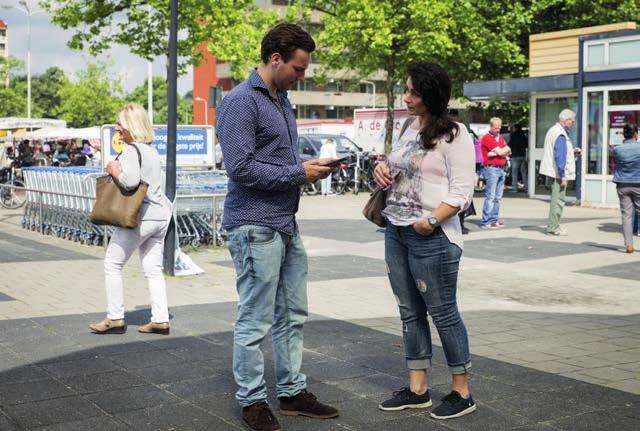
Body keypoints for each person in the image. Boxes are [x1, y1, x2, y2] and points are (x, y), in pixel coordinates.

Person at [216, 23, 339, 431]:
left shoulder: (281, 99)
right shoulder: (239, 102)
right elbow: (241, 168)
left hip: (284, 224)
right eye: (298, 68)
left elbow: (275, 165)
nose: (301, 77)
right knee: (255, 317)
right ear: (275, 59)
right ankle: (252, 402)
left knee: (293, 313)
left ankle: (291, 392)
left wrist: (303, 173)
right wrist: (298, 174)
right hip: (253, 225)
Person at [373, 62, 476, 420]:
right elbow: (396, 165)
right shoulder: (405, 126)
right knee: (409, 312)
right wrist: (381, 169)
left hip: (432, 236)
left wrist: (431, 221)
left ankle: (461, 391)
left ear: (430, 95)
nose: (406, 97)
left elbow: (464, 191)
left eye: (413, 92)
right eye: (406, 89)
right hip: (396, 231)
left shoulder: (455, 134)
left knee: (443, 312)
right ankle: (417, 390)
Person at [89, 103, 173, 335]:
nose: (117, 128)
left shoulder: (130, 151)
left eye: (119, 124)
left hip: (140, 217)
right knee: (153, 269)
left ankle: (115, 318)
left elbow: (130, 182)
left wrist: (113, 169)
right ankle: (160, 319)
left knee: (112, 263)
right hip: (160, 216)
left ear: (130, 126)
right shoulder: (151, 151)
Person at [540, 109, 581, 236]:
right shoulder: (560, 134)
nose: (573, 124)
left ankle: (553, 226)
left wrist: (573, 152)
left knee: (556, 200)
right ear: (566, 120)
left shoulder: (553, 130)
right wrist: (563, 175)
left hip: (553, 171)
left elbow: (559, 152)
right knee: (558, 201)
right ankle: (553, 227)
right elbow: (559, 156)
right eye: (572, 121)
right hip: (558, 174)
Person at [612, 124, 640, 253]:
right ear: (635, 134)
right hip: (638, 184)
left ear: (624, 134)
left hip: (622, 185)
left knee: (626, 215)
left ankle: (628, 244)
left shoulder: (617, 149)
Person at [480, 118, 510, 228]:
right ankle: (486, 221)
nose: (498, 130)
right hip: (491, 169)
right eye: (496, 128)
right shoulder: (487, 138)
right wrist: (502, 151)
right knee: (491, 196)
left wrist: (497, 152)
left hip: (501, 168)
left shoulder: (500, 138)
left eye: (499, 127)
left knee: (498, 197)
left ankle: (494, 220)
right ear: (491, 126)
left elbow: (509, 151)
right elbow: (503, 151)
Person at [508, 124, 528, 193]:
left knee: (514, 173)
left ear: (515, 128)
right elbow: (526, 145)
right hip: (523, 155)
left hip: (515, 156)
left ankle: (514, 188)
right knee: (524, 173)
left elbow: (510, 144)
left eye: (513, 128)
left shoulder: (513, 135)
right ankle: (526, 188)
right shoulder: (523, 135)